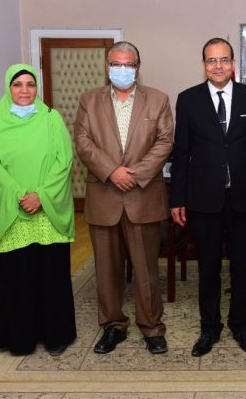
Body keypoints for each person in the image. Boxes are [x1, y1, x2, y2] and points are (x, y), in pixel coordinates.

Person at [170, 38, 246, 357]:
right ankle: (209, 328)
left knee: (242, 267)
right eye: (212, 60)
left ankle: (241, 326)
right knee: (208, 268)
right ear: (203, 64)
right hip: (203, 201)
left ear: (233, 64)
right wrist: (177, 199)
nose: (218, 66)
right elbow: (181, 153)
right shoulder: (188, 100)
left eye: (224, 60)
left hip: (244, 200)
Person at [74, 41, 173, 355]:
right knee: (106, 271)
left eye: (128, 65)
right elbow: (83, 141)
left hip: (143, 197)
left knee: (146, 271)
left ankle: (152, 328)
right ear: (107, 66)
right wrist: (112, 171)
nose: (122, 70)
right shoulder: (89, 100)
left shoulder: (158, 100)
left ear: (137, 68)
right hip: (104, 197)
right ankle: (113, 327)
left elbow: (164, 142)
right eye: (116, 64)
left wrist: (134, 174)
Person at [0, 63, 76, 356]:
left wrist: (41, 196)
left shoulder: (51, 119)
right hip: (15, 211)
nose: (24, 90)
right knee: (18, 277)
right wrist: (21, 196)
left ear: (37, 89)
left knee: (51, 275)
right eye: (18, 84)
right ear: (8, 88)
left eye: (30, 84)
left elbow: (64, 160)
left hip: (47, 210)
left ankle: (56, 336)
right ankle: (21, 339)